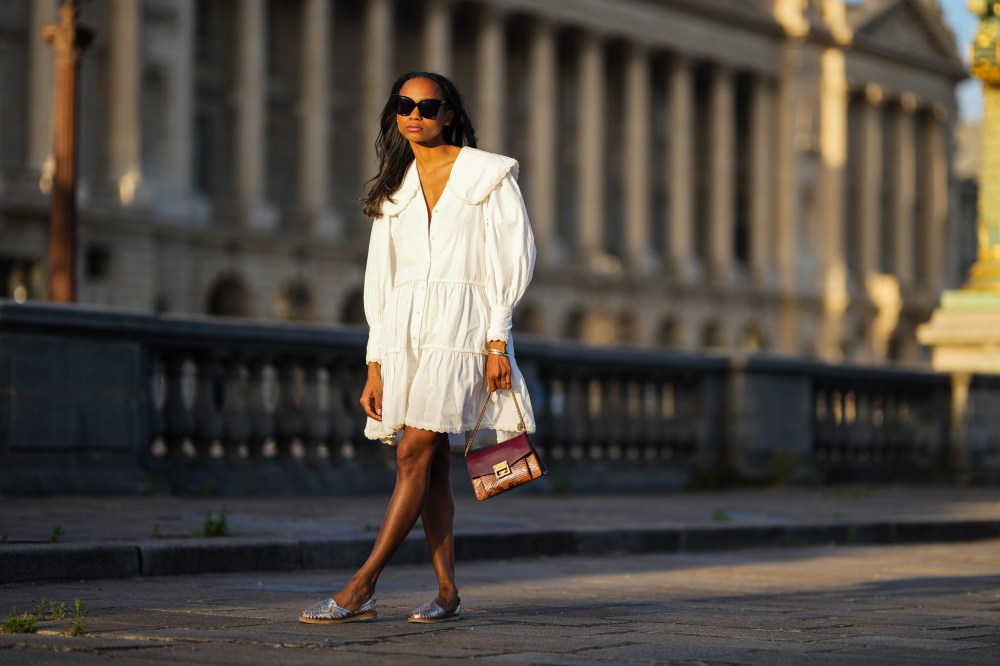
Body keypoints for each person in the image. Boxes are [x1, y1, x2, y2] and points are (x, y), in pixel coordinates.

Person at [299, 71, 536, 624]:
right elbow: (380, 280)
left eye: (428, 107)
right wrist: (375, 362)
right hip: (406, 335)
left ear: (450, 114)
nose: (415, 115)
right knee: (430, 468)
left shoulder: (488, 175)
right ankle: (447, 592)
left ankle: (362, 584)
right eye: (404, 104)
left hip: (464, 333)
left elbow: (513, 256)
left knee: (412, 451)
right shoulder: (394, 188)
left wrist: (498, 340)